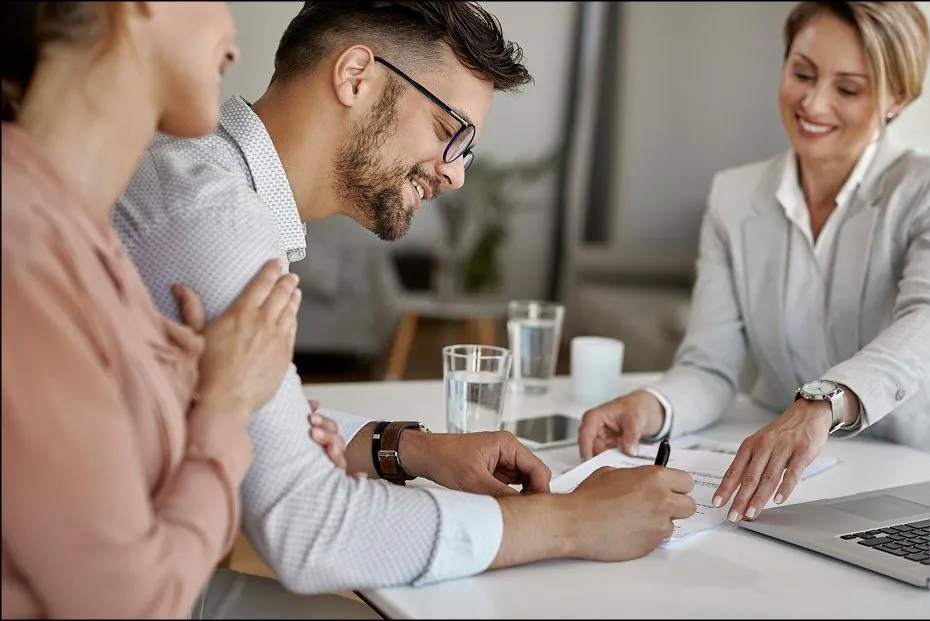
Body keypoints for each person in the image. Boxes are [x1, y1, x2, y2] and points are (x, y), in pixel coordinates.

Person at [112, 0, 698, 609]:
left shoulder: (212, 184)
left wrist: (405, 446)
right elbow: (308, 526)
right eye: (451, 133)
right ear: (356, 76)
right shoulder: (217, 222)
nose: (456, 176)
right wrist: (572, 521)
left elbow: (261, 421)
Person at [578, 0, 930, 525]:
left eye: (848, 89)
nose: (813, 102)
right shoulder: (734, 196)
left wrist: (822, 402)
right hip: (804, 488)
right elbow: (710, 367)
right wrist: (651, 405)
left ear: (897, 97)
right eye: (802, 73)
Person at [0, 2, 313, 618]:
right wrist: (227, 406)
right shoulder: (26, 250)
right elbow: (133, 606)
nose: (234, 43)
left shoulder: (81, 233)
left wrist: (197, 390)